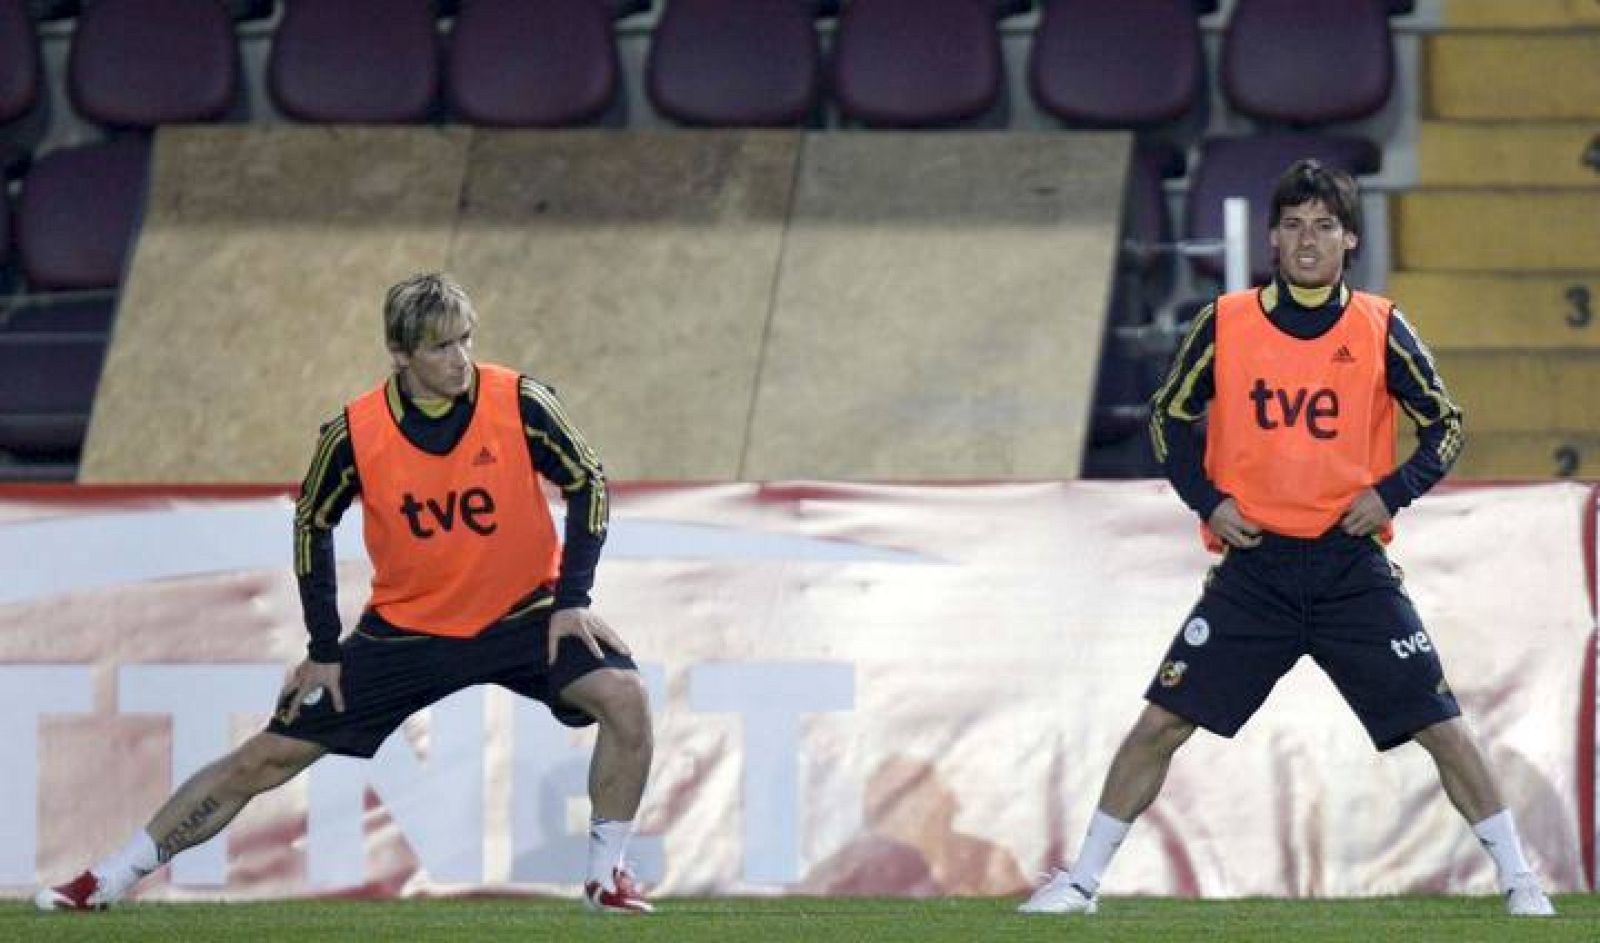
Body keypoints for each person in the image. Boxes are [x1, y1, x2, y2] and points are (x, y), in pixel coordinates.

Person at [1020, 160, 1556, 918]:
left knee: (1441, 724)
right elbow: (1167, 417)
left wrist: (1391, 491)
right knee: (1162, 721)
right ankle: (1079, 880)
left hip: (1349, 566)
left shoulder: (1380, 325)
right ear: (1272, 237)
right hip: (1256, 567)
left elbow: (1447, 423)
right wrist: (1208, 500)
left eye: (1325, 226)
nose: (1309, 240)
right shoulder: (1224, 323)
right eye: (1296, 225)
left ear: (1350, 241)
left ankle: (1519, 878)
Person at [37, 272, 656, 915]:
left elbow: (590, 482)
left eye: (466, 340)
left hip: (523, 613)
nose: (460, 360)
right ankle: (108, 877)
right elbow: (312, 525)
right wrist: (324, 649)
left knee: (626, 697)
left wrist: (574, 598)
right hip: (407, 632)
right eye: (442, 347)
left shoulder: (520, 401)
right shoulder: (354, 434)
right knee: (266, 759)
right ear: (401, 353)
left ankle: (604, 877)